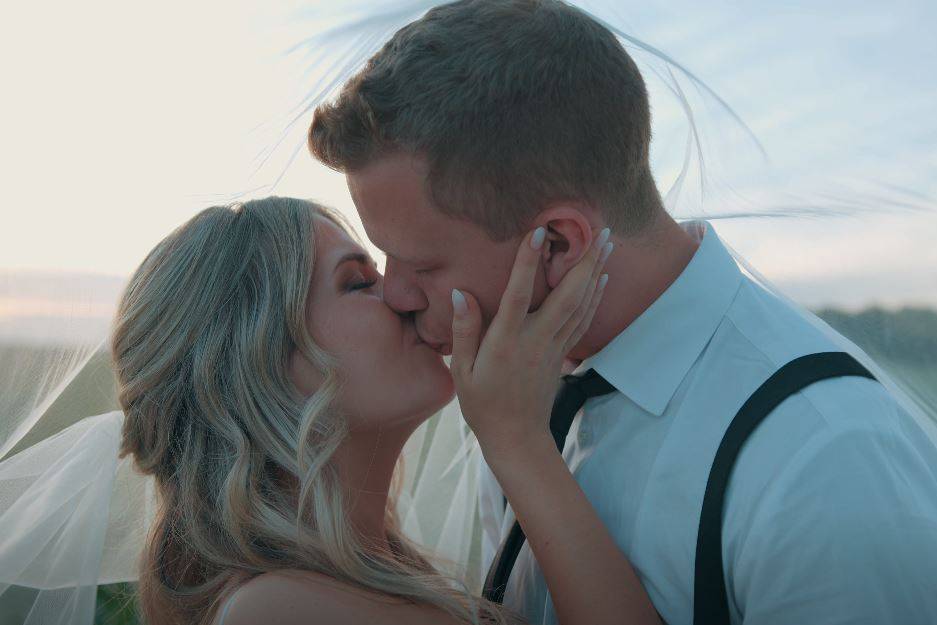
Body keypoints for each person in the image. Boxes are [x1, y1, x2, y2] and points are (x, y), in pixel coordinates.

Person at [308, 1, 937, 624]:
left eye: (419, 265)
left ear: (556, 244)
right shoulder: (518, 396)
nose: (394, 296)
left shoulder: (823, 464)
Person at [108, 196, 658, 625]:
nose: (401, 297)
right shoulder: (275, 612)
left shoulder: (369, 574)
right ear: (258, 361)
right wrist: (517, 441)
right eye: (358, 282)